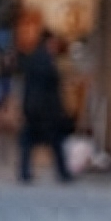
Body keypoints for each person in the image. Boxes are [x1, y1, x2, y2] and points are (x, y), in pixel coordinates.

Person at [17, 28, 73, 184]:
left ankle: (25, 171)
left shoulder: (33, 59)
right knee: (55, 141)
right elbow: (50, 87)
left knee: (29, 142)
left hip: (33, 106)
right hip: (45, 108)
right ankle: (62, 173)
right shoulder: (46, 62)